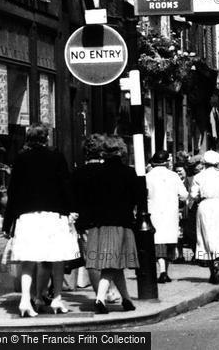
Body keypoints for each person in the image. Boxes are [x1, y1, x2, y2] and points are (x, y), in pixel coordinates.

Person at [2, 123, 77, 317]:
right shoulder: (56, 156)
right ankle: (57, 299)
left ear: (28, 139)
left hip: (27, 216)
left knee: (28, 260)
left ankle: (25, 300)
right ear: (46, 138)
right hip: (54, 215)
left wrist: (7, 223)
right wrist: (72, 210)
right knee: (57, 259)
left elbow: (13, 193)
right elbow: (65, 186)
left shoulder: (21, 159)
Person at [76, 135, 140, 315]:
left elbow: (88, 199)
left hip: (99, 224)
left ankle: (127, 300)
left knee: (115, 264)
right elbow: (136, 198)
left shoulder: (96, 173)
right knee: (112, 265)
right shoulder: (128, 172)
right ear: (121, 151)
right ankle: (100, 299)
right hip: (120, 223)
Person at [72, 134, 119, 303]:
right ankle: (111, 291)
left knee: (91, 260)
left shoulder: (76, 173)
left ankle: (100, 295)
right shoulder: (109, 172)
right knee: (108, 258)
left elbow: (72, 200)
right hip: (107, 221)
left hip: (85, 222)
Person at [190, 150, 219, 283]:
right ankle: (217, 260)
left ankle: (211, 265)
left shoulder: (199, 176)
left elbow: (193, 195)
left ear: (204, 163)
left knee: (205, 235)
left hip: (205, 205)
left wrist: (199, 197)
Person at [146, 150, 188, 282]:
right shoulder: (174, 176)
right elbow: (184, 195)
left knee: (158, 242)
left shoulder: (147, 176)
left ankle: (162, 271)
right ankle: (165, 272)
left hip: (154, 213)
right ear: (167, 162)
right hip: (170, 213)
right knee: (169, 242)